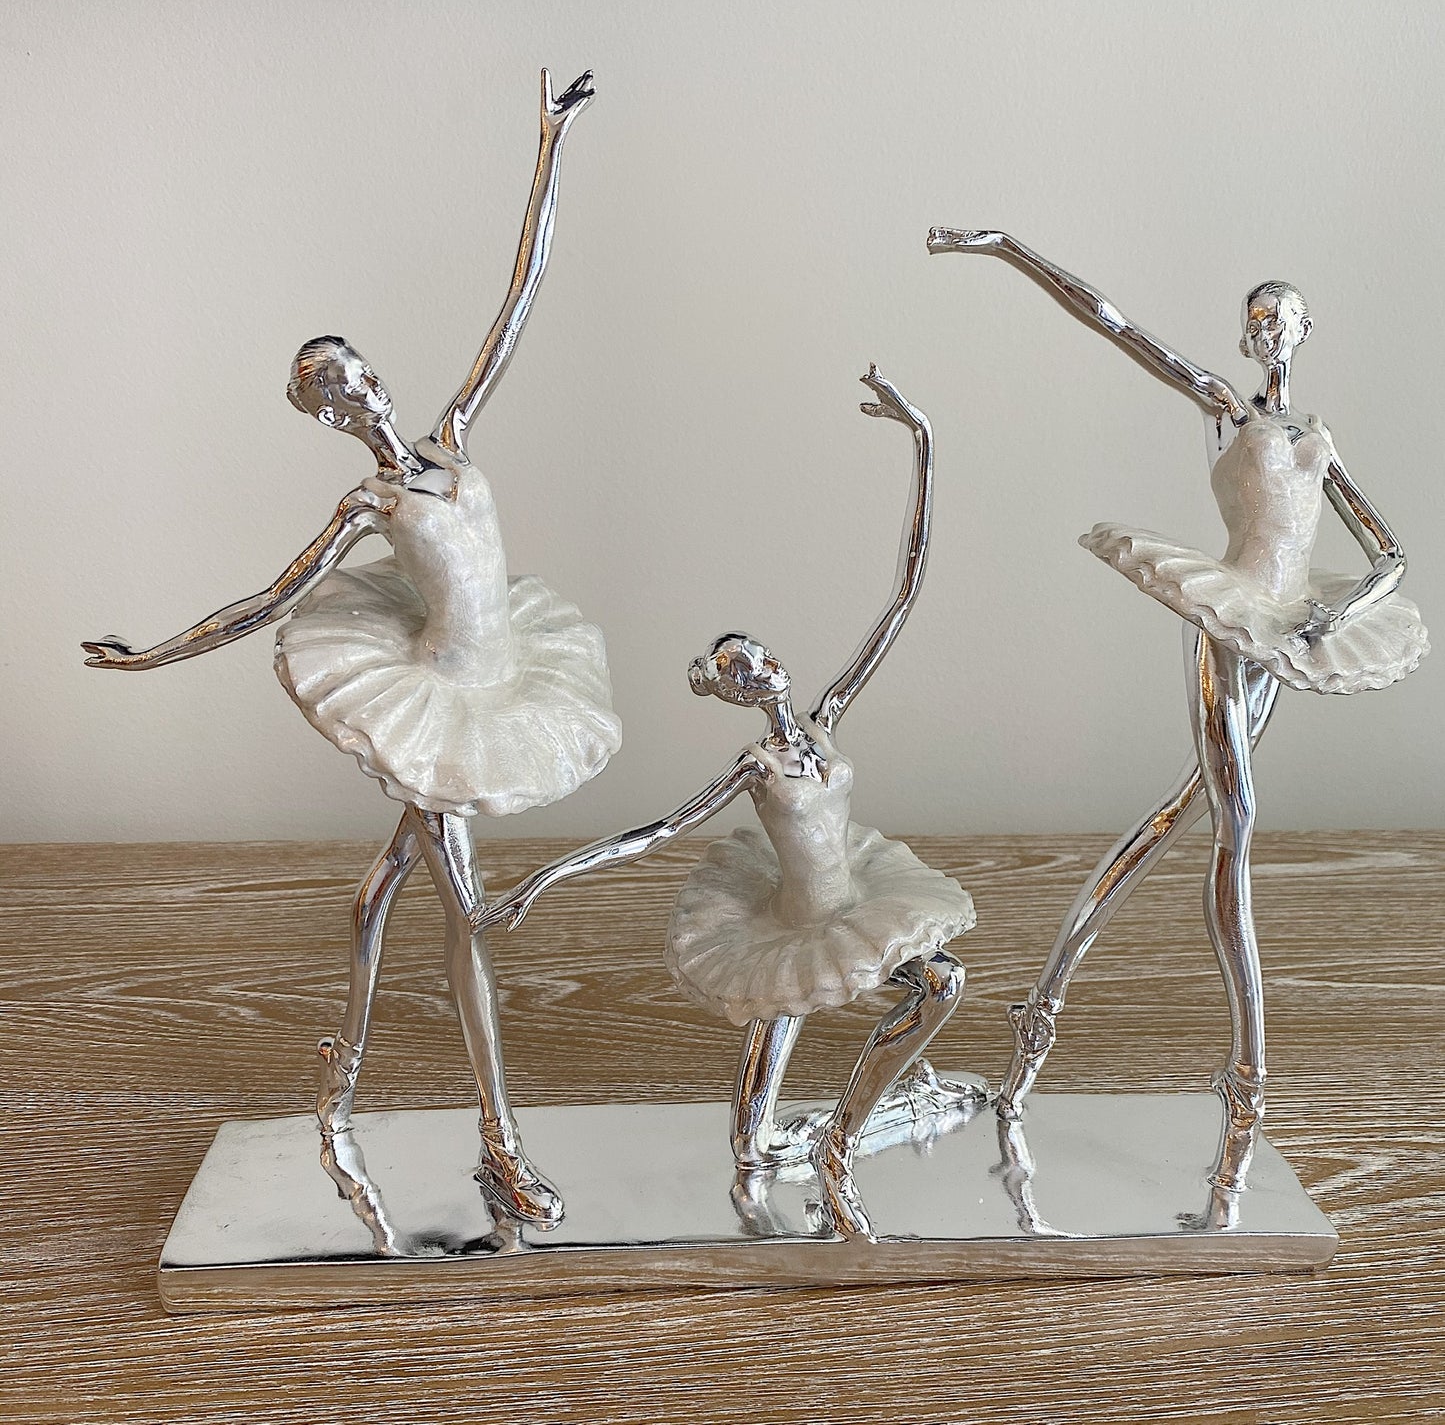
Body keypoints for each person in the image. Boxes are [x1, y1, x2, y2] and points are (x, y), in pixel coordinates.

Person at [84, 70, 621, 1229]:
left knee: (380, 891)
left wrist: (549, 146)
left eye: (359, 369)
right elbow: (263, 602)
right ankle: (500, 1147)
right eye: (337, 387)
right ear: (327, 414)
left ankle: (337, 1090)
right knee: (466, 917)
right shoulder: (366, 504)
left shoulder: (452, 434)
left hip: (512, 675)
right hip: (436, 700)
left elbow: (519, 298)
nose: (361, 388)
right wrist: (145, 660)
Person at [928, 227, 1426, 1189]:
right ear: (1244, 337)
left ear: (1305, 329)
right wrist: (1004, 248)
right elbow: (1115, 323)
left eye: (1281, 318)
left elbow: (1390, 552)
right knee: (1234, 821)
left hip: (1292, 623)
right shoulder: (1224, 406)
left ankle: (1040, 1009)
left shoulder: (1317, 435)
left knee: (1175, 817)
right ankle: (1246, 1073)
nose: (1268, 331)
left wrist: (1336, 612)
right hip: (1226, 613)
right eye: (1256, 320)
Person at [481, 370, 977, 1239]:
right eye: (746, 670)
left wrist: (921, 439)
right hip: (787, 927)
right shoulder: (755, 765)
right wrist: (540, 880)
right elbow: (656, 831)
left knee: (940, 980)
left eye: (762, 656)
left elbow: (900, 598)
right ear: (740, 692)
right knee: (749, 1143)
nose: (766, 669)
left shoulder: (824, 717)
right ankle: (793, 1141)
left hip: (859, 900)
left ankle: (844, 1137)